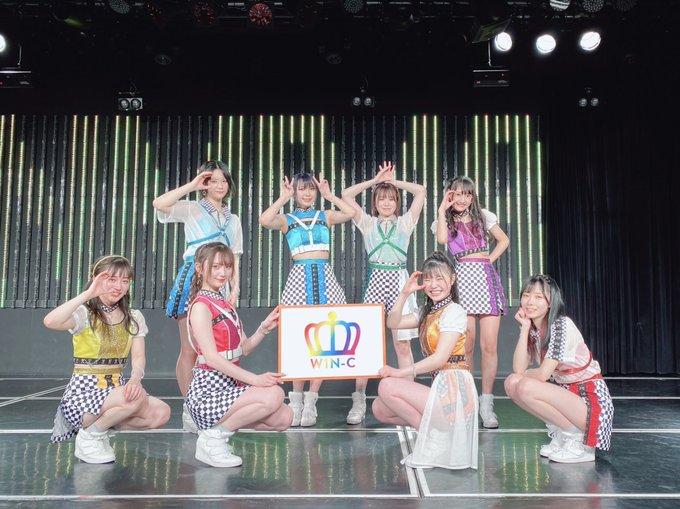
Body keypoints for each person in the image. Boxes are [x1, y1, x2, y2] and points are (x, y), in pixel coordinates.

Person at [45, 255, 171, 464]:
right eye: (111, 279)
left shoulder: (134, 317)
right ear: (96, 279)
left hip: (116, 390)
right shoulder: (84, 314)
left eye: (125, 280)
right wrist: (88, 294)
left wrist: (135, 380)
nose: (118, 286)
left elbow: (138, 358)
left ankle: (99, 430)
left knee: (161, 413)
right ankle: (89, 438)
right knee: (134, 399)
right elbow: (50, 321)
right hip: (84, 395)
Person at [153, 160, 243, 433]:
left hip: (221, 285)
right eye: (213, 180)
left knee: (215, 350)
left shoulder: (233, 219)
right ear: (204, 184)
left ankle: (212, 405)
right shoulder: (192, 208)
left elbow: (235, 257)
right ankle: (190, 408)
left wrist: (235, 289)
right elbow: (159, 203)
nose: (219, 185)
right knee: (191, 349)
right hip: (194, 280)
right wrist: (191, 186)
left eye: (223, 180)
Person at [259, 171, 355, 427]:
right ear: (295, 192)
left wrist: (329, 195)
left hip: (325, 277)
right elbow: (264, 220)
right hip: (299, 278)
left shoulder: (325, 215)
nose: (307, 193)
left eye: (311, 188)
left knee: (323, 341)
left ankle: (311, 401)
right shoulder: (287, 219)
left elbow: (350, 213)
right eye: (302, 189)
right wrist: (283, 198)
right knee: (297, 340)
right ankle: (296, 401)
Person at [185, 242, 292, 467]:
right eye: (215, 267)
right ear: (199, 268)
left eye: (227, 267)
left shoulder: (224, 304)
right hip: (208, 393)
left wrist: (264, 328)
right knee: (273, 394)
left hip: (230, 388)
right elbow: (212, 358)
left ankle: (217, 433)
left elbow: (244, 348)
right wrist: (255, 380)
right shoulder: (201, 306)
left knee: (285, 417)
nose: (223, 273)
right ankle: (212, 439)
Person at [372, 251, 478, 470]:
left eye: (440, 278)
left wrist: (400, 372)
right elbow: (393, 323)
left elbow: (439, 359)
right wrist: (404, 293)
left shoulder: (454, 311)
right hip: (442, 388)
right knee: (379, 408)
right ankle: (435, 435)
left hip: (456, 394)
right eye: (428, 279)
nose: (433, 285)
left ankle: (433, 439)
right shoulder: (426, 312)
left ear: (452, 279)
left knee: (388, 385)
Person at [340, 161, 425, 424]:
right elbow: (346, 195)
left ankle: (409, 398)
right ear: (375, 202)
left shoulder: (406, 223)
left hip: (400, 281)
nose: (386, 203)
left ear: (397, 202)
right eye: (381, 198)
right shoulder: (367, 223)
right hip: (376, 279)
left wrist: (393, 182)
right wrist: (375, 181)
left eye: (391, 198)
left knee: (402, 344)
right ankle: (359, 400)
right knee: (367, 345)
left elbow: (421, 191)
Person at [504, 275, 614, 463]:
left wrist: (525, 374)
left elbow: (542, 374)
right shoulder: (534, 329)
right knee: (511, 383)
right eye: (526, 295)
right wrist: (524, 330)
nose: (530, 302)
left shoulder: (561, 325)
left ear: (551, 302)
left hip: (591, 402)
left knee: (525, 385)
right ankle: (564, 435)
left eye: (539, 297)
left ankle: (578, 443)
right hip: (568, 397)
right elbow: (518, 369)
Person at [435, 176, 509, 429]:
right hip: (463, 279)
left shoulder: (483, 216)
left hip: (485, 279)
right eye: (457, 193)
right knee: (466, 344)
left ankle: (486, 403)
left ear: (472, 196)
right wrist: (441, 210)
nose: (462, 198)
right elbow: (442, 240)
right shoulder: (444, 220)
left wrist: (488, 260)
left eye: (467, 194)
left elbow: (504, 240)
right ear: (449, 194)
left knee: (489, 345)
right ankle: (467, 402)